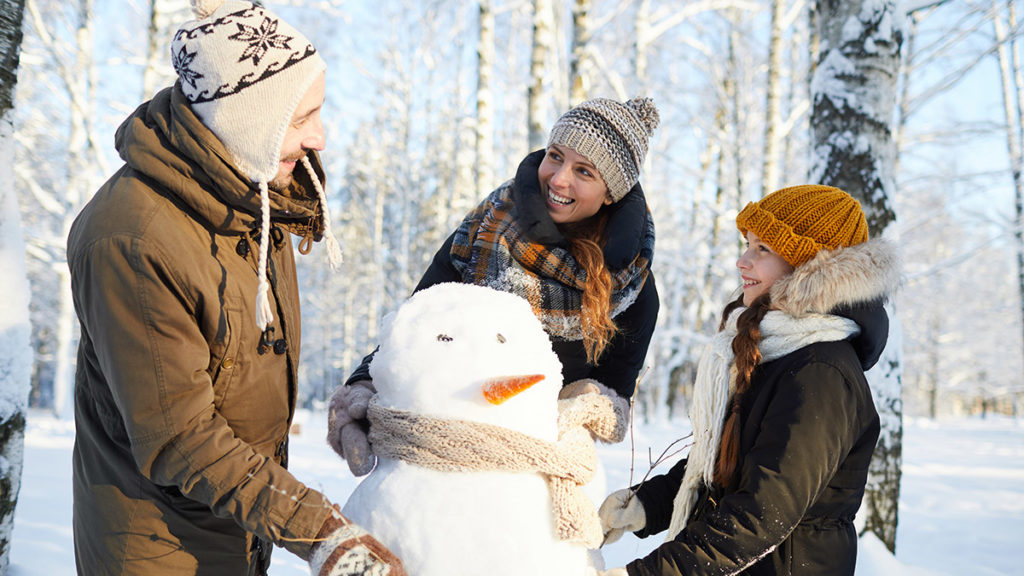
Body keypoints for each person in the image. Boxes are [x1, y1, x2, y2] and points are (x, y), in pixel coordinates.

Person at [66, 1, 404, 574]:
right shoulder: (133, 239)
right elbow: (180, 438)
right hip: (159, 548)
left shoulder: (250, 194)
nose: (318, 138)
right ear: (247, 121)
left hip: (237, 528)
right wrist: (319, 531)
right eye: (301, 120)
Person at [328, 97, 662, 476]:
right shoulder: (484, 230)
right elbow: (416, 324)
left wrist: (589, 403)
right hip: (436, 445)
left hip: (529, 468)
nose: (558, 179)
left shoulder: (633, 292)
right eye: (555, 156)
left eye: (584, 171)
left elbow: (615, 402)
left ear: (611, 193)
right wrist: (363, 385)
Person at [597, 185, 901, 576]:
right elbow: (729, 468)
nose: (743, 261)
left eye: (763, 250)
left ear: (811, 266)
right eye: (747, 245)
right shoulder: (778, 352)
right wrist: (646, 505)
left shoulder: (820, 372)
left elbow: (761, 515)